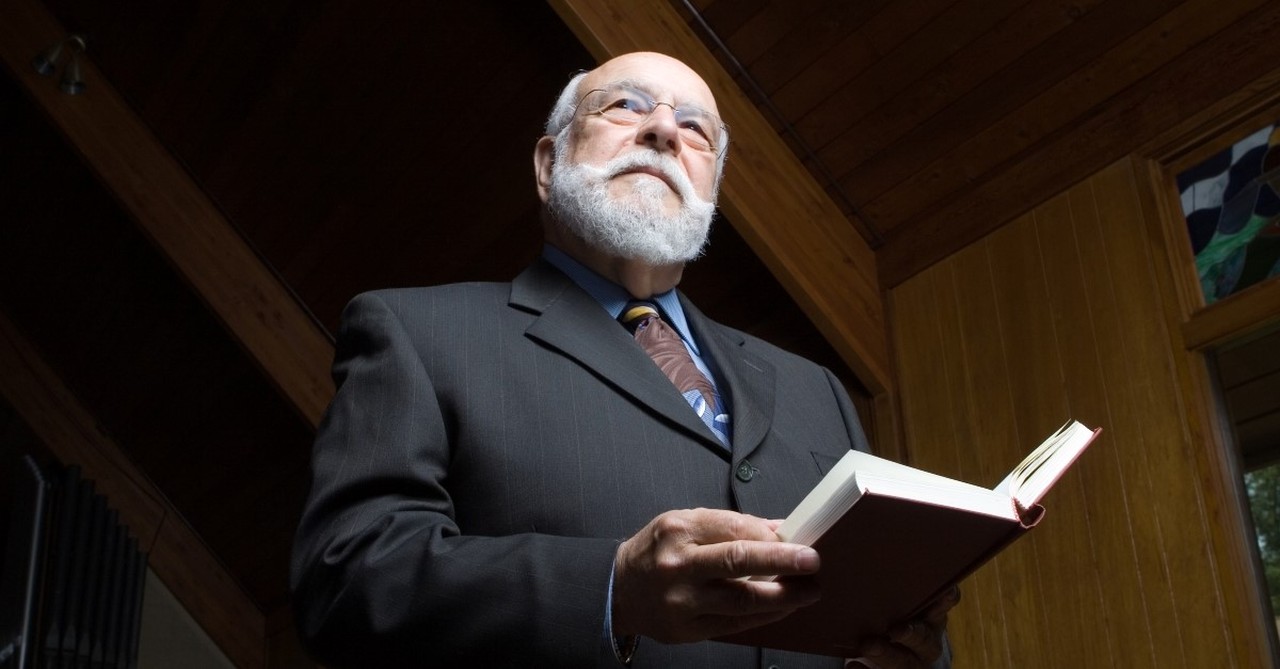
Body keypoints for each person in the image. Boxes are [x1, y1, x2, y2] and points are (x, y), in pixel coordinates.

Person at [290, 51, 957, 668]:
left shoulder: (819, 389)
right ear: (549, 165)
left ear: (711, 192)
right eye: (626, 107)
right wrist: (613, 589)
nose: (664, 131)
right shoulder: (417, 331)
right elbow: (344, 579)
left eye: (696, 130)